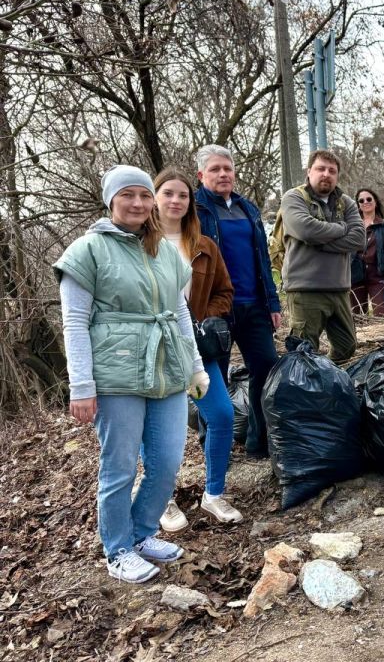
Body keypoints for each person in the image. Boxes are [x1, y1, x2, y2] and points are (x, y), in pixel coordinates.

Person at [54, 165, 209, 584]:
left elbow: (179, 312)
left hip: (167, 370)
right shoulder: (87, 251)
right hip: (115, 373)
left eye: (144, 195)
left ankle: (141, 534)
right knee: (119, 466)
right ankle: (117, 549)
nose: (138, 203)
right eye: (128, 195)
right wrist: (82, 385)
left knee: (166, 461)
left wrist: (194, 366)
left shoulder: (161, 249)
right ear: (111, 200)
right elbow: (74, 322)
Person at [153, 168, 244, 531]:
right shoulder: (138, 245)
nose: (175, 201)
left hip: (197, 352)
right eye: (168, 194)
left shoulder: (205, 246)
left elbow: (225, 291)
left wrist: (206, 319)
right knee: (161, 427)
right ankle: (163, 500)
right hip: (155, 354)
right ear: (154, 198)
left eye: (183, 195)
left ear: (191, 203)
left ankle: (214, 494)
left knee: (221, 415)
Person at [194, 145, 281, 460]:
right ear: (202, 175)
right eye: (215, 169)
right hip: (214, 308)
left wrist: (273, 302)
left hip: (253, 305)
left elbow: (262, 259)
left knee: (266, 367)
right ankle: (214, 448)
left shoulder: (248, 208)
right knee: (211, 377)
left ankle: (259, 441)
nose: (223, 174)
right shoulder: (194, 209)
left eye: (227, 169)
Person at [279, 149, 364, 362]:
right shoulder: (294, 197)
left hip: (339, 287)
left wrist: (320, 243)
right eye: (320, 169)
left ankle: (327, 380)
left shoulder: (346, 203)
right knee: (303, 353)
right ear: (309, 171)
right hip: (305, 288)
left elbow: (358, 239)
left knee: (347, 346)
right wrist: (340, 228)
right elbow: (306, 230)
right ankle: (307, 392)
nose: (326, 174)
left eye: (332, 171)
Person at [351, 187, 384, 318]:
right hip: (355, 276)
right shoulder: (353, 225)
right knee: (356, 318)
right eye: (361, 200)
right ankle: (358, 339)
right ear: (358, 205)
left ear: (375, 201)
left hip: (378, 277)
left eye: (369, 199)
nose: (365, 202)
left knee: (381, 316)